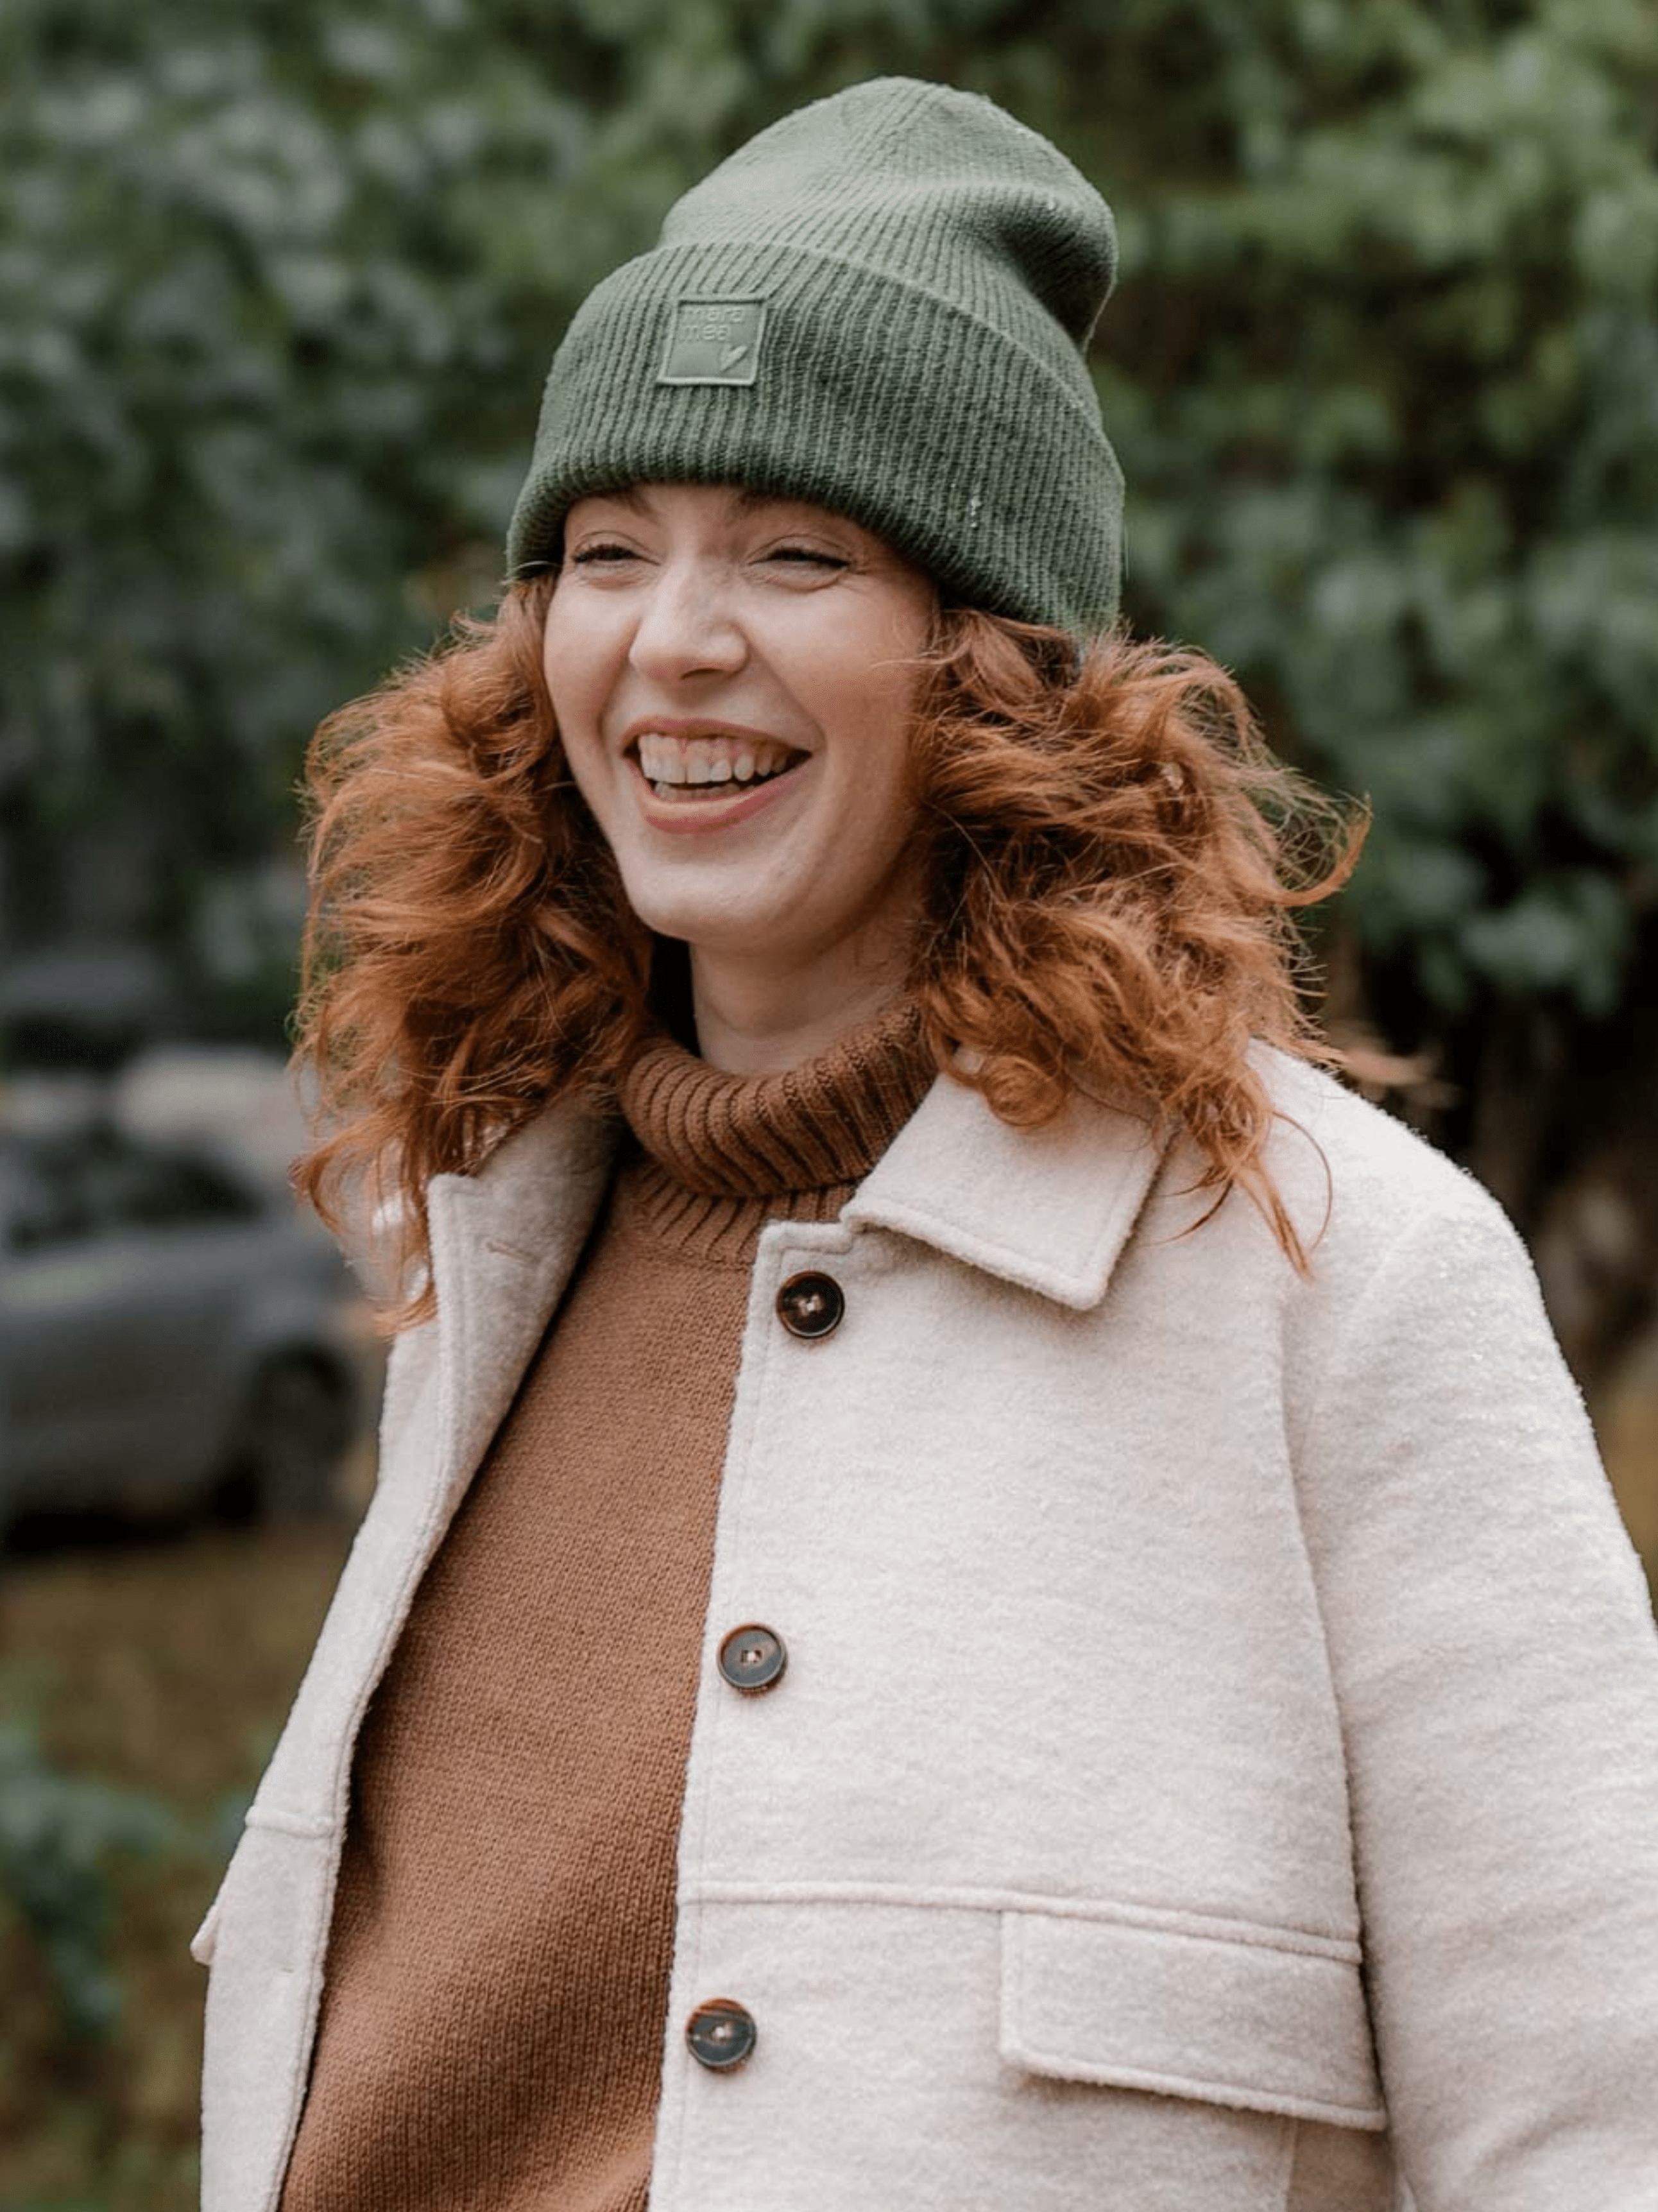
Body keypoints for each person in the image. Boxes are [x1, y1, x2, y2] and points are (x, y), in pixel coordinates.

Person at [192, 76, 1658, 2212]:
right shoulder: (498, 1246)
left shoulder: (1337, 1278)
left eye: (798, 553)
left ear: (996, 667)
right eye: (610, 552)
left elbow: (1599, 2119)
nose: (677, 637)